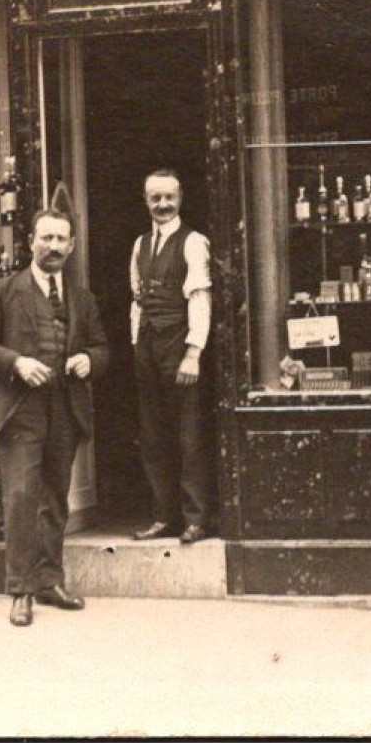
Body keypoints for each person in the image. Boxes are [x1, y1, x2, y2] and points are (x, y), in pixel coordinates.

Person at [0, 208, 109, 627]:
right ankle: (20, 590)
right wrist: (17, 364)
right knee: (21, 499)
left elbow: (103, 348)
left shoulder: (81, 298)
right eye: (46, 238)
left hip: (65, 407)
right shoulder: (3, 291)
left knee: (54, 499)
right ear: (30, 241)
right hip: (20, 410)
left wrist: (88, 359)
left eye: (61, 239)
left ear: (72, 246)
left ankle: (49, 581)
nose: (53, 247)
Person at [128, 169, 215, 544]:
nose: (162, 204)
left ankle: (195, 517)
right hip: (147, 349)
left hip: (180, 346)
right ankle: (163, 515)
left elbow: (199, 298)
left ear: (180, 199)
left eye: (169, 197)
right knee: (153, 434)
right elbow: (137, 297)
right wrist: (137, 343)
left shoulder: (193, 242)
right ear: (145, 201)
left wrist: (193, 353)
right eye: (155, 198)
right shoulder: (140, 244)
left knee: (188, 434)